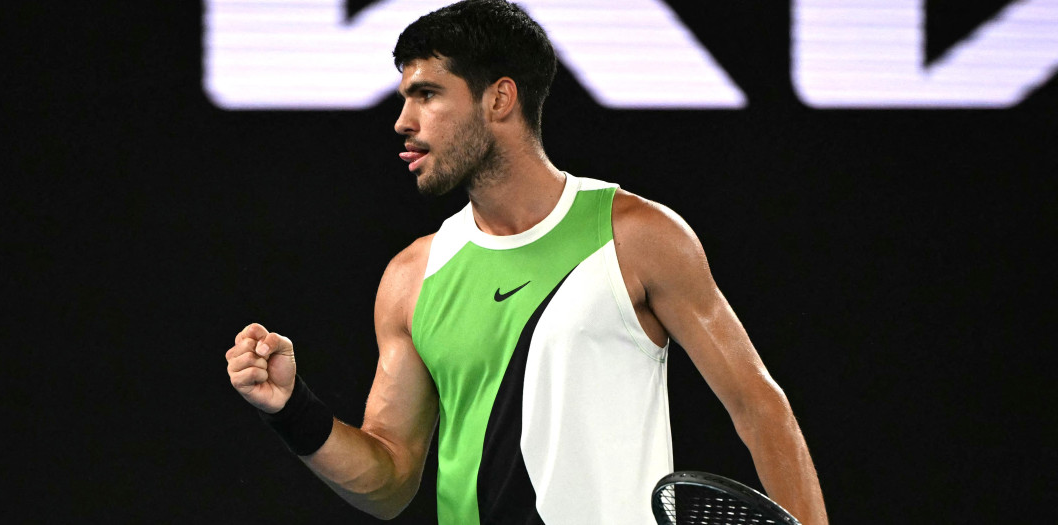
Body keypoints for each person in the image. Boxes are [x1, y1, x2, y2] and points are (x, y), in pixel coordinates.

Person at [225, 1, 828, 523]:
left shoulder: (639, 237)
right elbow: (390, 481)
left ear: (500, 99)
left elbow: (759, 407)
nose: (402, 122)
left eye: (427, 94)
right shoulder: (412, 277)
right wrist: (291, 410)